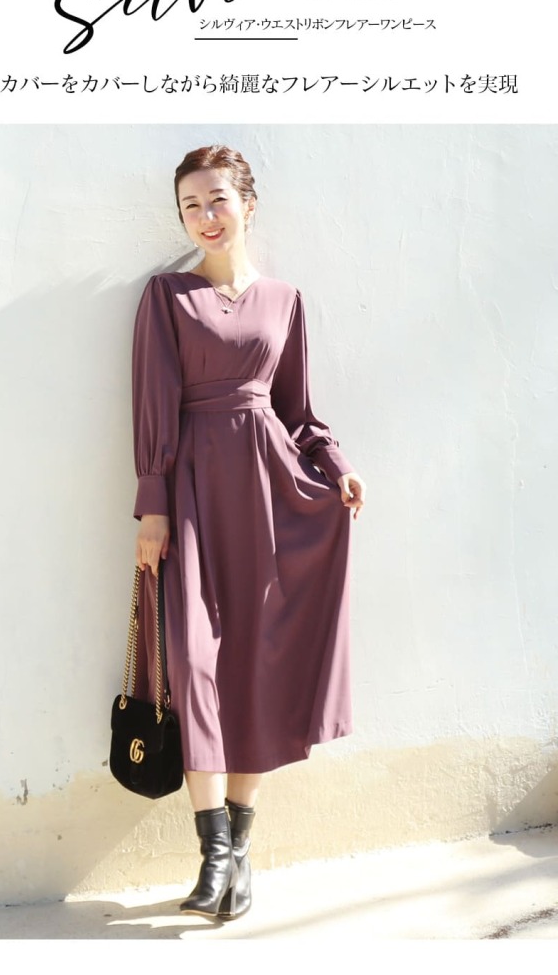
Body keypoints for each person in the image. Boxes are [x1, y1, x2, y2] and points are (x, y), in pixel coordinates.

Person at [132, 145, 366, 920]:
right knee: (193, 662)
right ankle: (213, 854)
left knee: (258, 664)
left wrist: (337, 469)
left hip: (270, 498)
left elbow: (298, 411)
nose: (205, 216)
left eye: (217, 200)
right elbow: (154, 406)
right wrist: (152, 505)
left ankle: (236, 854)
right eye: (190, 206)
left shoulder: (284, 300)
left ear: (248, 204)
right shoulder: (166, 297)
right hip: (194, 499)